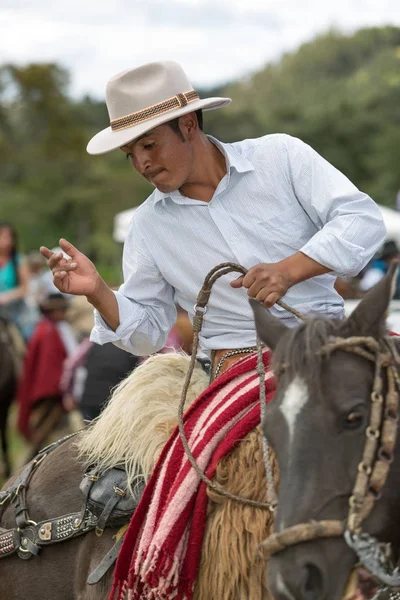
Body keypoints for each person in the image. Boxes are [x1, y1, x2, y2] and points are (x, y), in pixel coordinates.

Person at [40, 60, 386, 377]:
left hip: (329, 346)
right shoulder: (147, 227)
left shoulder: (280, 157)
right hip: (236, 373)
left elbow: (362, 219)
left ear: (188, 124)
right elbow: (147, 336)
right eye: (129, 154)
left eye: (149, 145)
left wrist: (290, 270)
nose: (141, 164)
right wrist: (98, 291)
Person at [17, 293, 78, 456]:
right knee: (41, 439)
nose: (64, 313)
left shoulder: (49, 328)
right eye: (62, 309)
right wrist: (62, 391)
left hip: (50, 392)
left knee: (45, 439)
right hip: (49, 395)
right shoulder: (47, 332)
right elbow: (49, 370)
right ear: (53, 311)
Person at [0, 222, 35, 340]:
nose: (7, 241)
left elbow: (25, 288)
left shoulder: (18, 260)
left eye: (10, 237)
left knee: (24, 338)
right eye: (3, 236)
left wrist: (5, 297)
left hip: (14, 312)